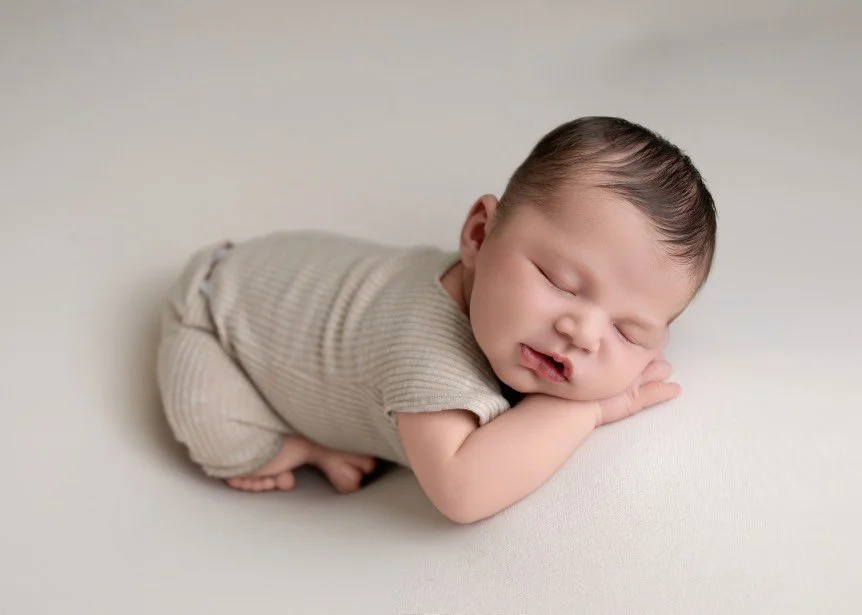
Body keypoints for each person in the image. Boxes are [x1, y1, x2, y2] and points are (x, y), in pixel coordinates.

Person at [156, 116, 717, 523]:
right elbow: (461, 491)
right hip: (215, 317)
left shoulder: (497, 300)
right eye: (559, 282)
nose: (585, 334)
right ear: (478, 234)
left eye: (629, 331)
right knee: (216, 431)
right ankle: (300, 447)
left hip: (296, 273)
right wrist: (587, 410)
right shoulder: (428, 361)